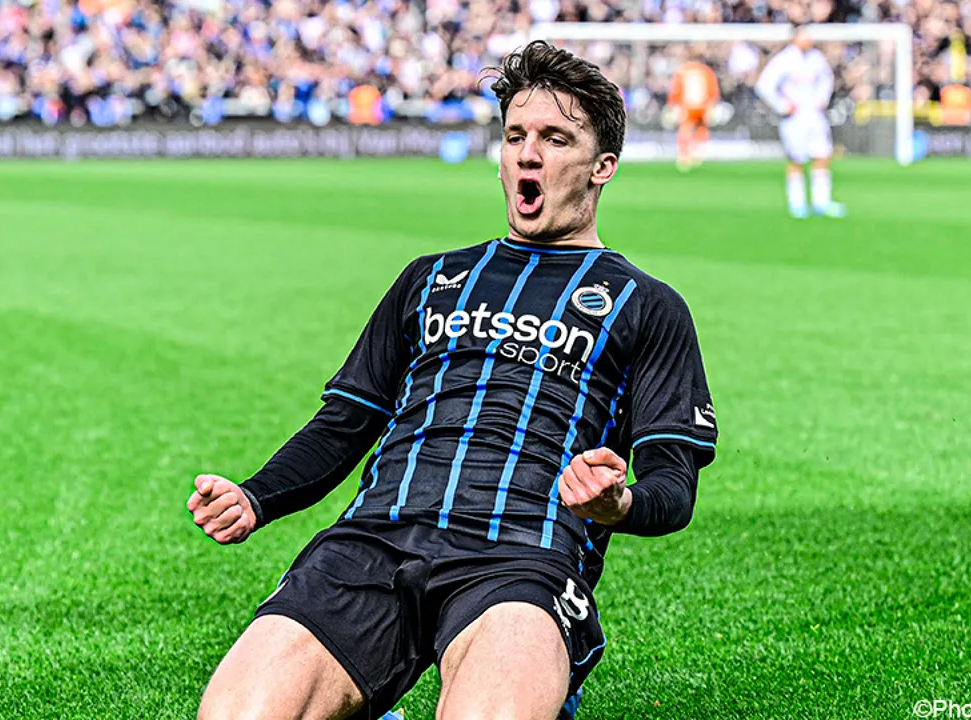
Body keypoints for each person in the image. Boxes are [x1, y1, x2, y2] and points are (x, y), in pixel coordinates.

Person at [185, 40, 719, 720]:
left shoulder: (647, 305)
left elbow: (673, 484)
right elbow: (345, 423)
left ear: (602, 167)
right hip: (372, 542)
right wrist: (256, 497)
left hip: (521, 561)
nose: (529, 154)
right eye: (516, 136)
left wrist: (620, 505)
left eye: (555, 139)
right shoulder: (430, 278)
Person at [755, 24, 847, 219]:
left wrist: (823, 99)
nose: (808, 40)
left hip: (815, 115)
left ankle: (822, 202)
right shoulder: (784, 60)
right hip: (794, 118)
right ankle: (797, 203)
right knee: (796, 159)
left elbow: (827, 79)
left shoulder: (816, 58)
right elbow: (764, 85)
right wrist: (782, 105)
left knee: (822, 155)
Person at [666, 59, 721, 171]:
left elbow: (675, 90)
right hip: (703, 105)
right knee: (701, 129)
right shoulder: (706, 70)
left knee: (686, 129)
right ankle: (698, 155)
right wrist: (712, 105)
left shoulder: (682, 71)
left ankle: (684, 156)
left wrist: (671, 104)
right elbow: (713, 91)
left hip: (687, 105)